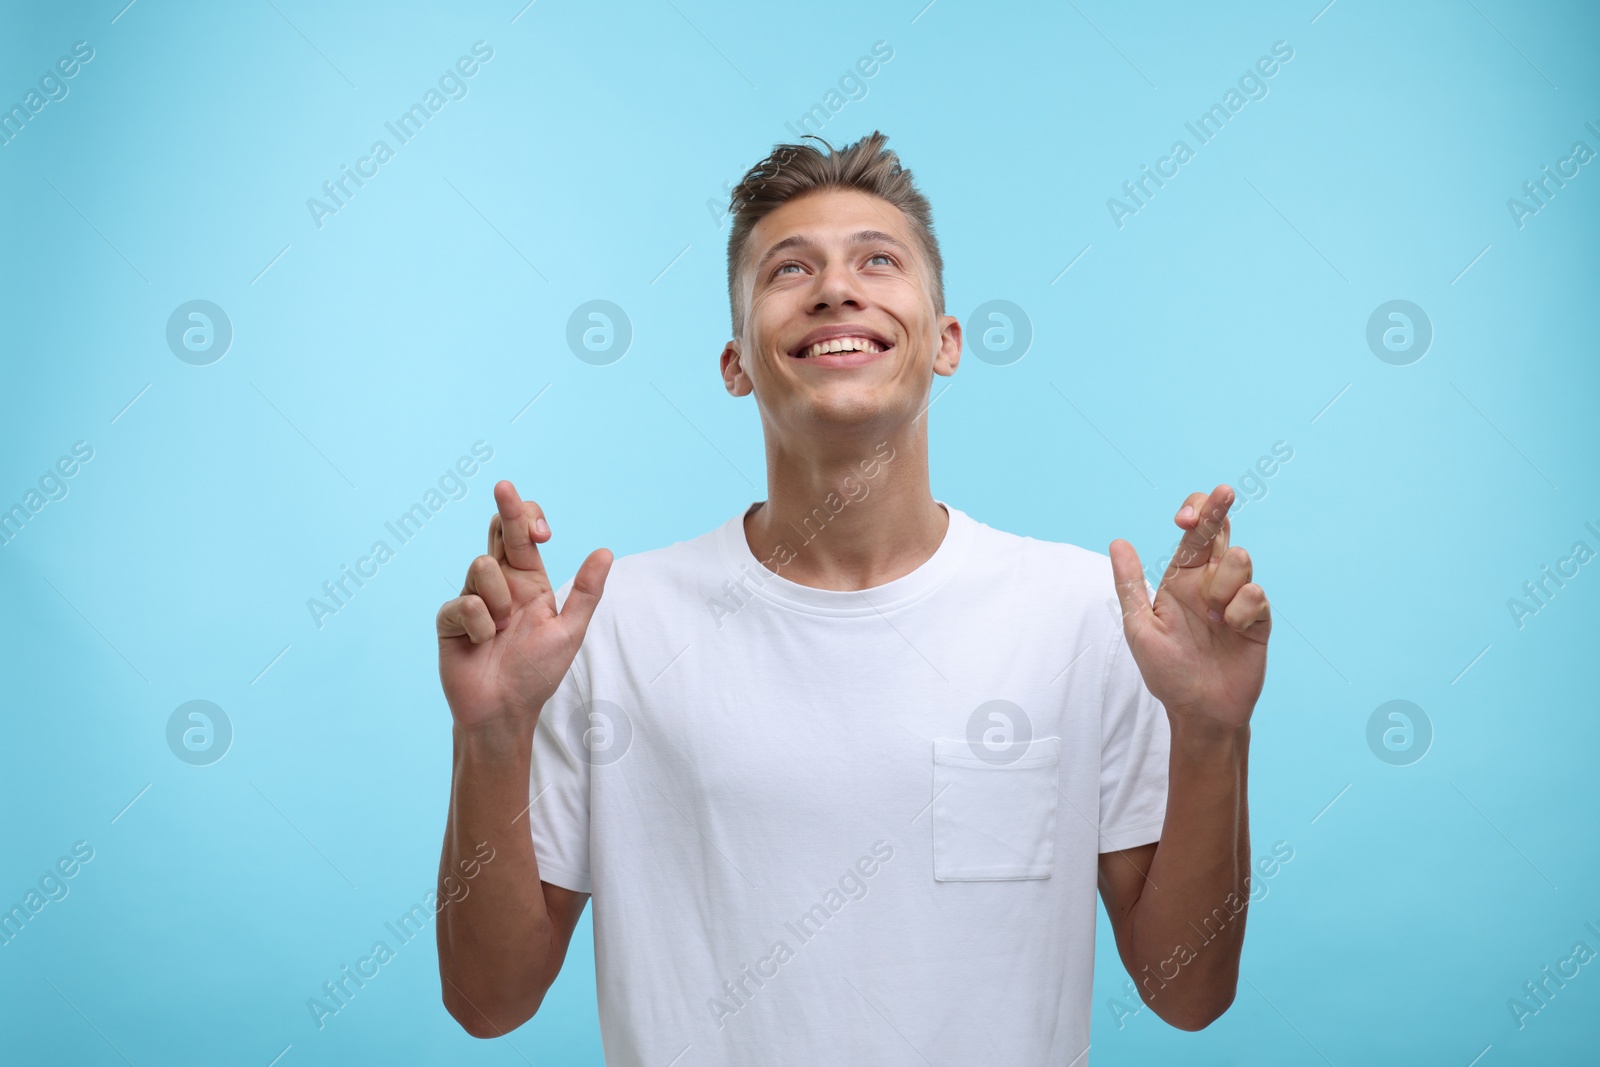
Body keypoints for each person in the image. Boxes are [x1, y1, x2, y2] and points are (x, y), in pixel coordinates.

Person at [434, 131, 1272, 1064]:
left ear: (947, 342)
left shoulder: (1085, 615)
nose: (837, 287)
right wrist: (492, 734)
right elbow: (489, 1001)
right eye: (789, 269)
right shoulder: (613, 627)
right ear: (736, 362)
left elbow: (1189, 994)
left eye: (879, 259)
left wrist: (1212, 731)